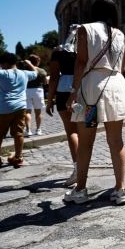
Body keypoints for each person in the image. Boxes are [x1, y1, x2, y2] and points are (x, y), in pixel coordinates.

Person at [64, 0, 125, 206]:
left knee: (86, 141)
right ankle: (121, 189)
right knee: (116, 141)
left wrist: (73, 91)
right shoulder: (119, 34)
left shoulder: (85, 29)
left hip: (93, 92)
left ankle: (81, 189)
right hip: (115, 88)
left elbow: (80, 62)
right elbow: (122, 66)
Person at [47, 25, 80, 187]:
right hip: (87, 93)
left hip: (64, 91)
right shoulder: (88, 50)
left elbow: (53, 77)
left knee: (72, 131)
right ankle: (84, 168)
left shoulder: (58, 52)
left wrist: (49, 100)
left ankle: (78, 169)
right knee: (88, 131)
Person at [24, 54, 47, 136]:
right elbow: (45, 83)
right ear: (37, 62)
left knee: (28, 112)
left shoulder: (24, 70)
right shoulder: (42, 71)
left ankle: (28, 130)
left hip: (27, 91)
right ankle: (38, 130)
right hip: (38, 90)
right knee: (38, 112)